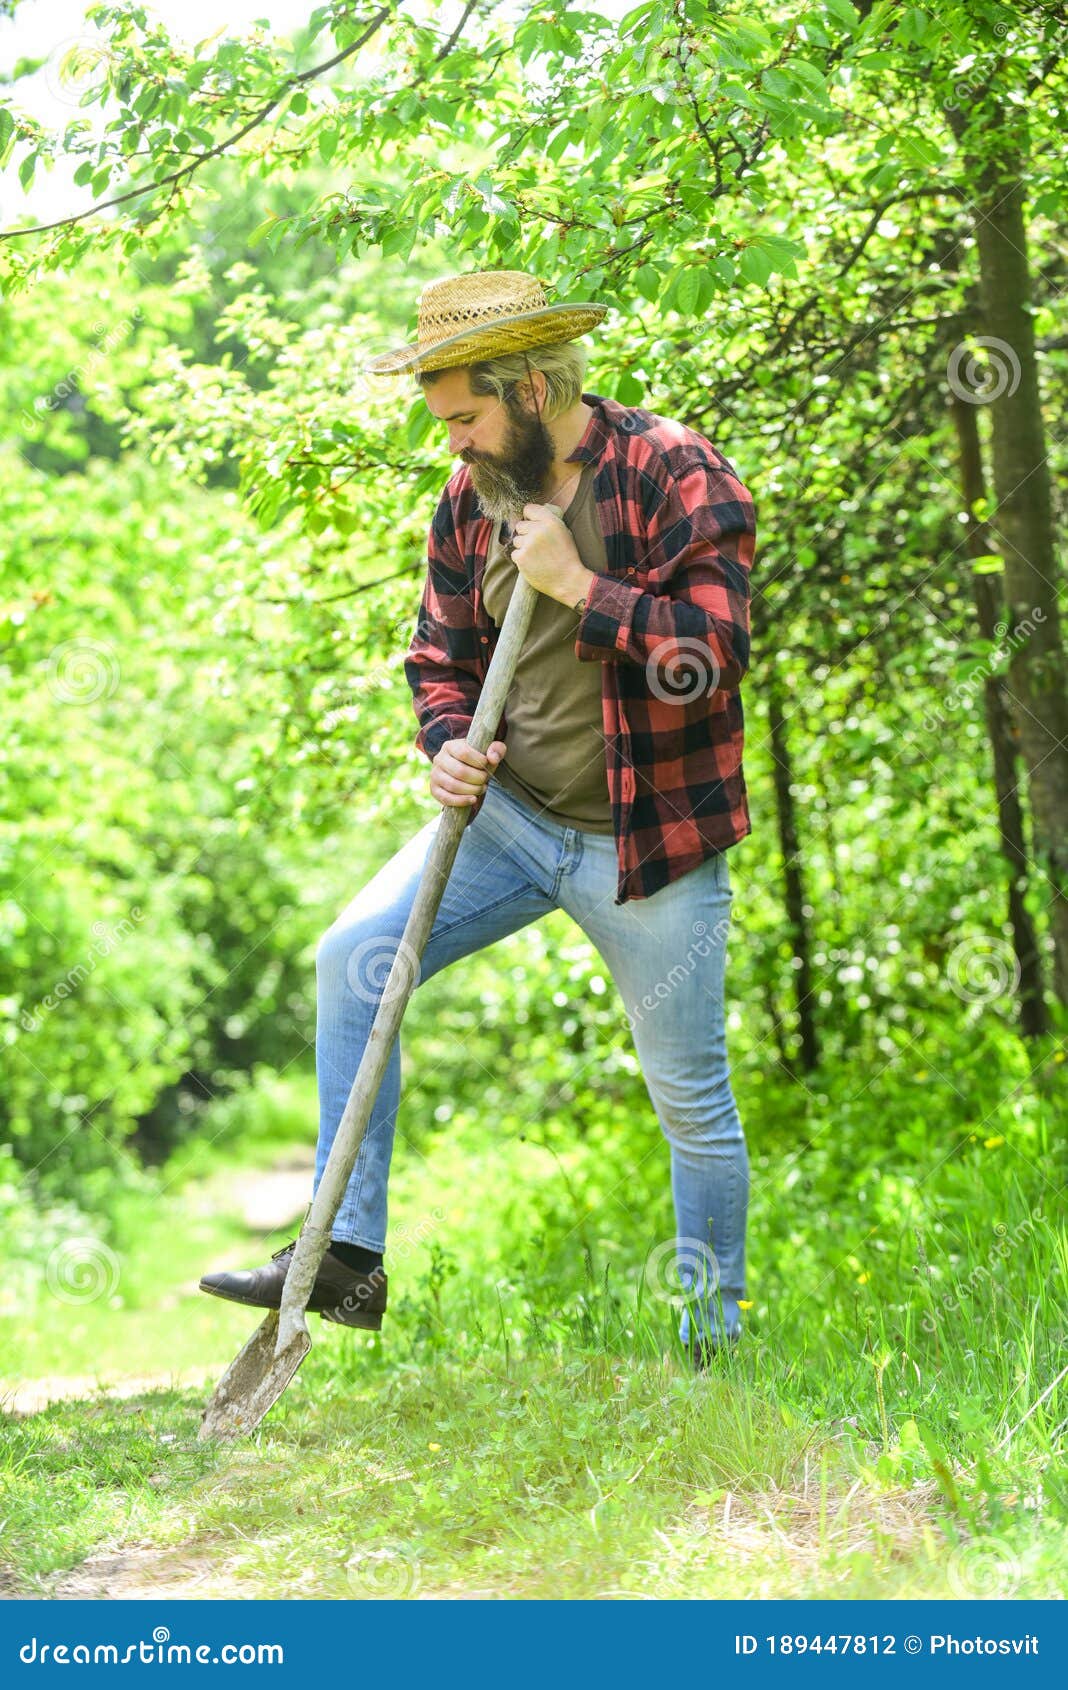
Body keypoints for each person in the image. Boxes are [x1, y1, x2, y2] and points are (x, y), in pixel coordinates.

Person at [199, 268, 757, 1369]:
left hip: (647, 845)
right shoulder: (470, 497)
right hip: (511, 820)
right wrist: (447, 741)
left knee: (691, 1100)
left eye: (466, 416)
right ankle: (348, 1250)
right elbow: (436, 655)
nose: (452, 443)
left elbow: (714, 657)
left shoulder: (671, 470)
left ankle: (711, 1343)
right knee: (356, 957)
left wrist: (574, 585)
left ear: (537, 389)